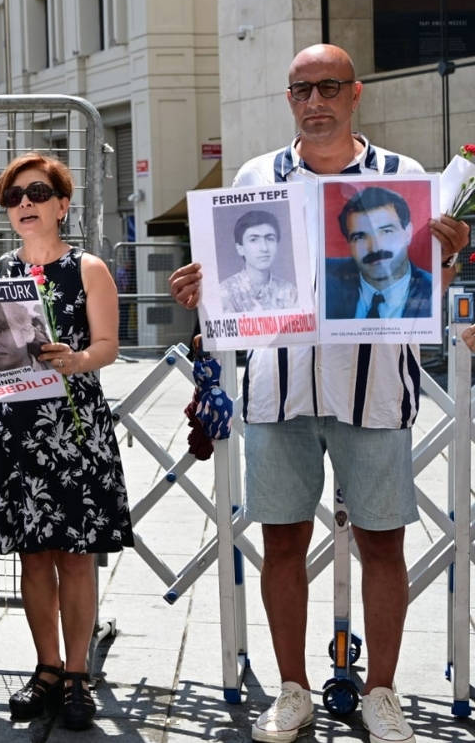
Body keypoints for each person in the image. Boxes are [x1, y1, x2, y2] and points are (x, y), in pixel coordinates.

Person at [167, 44, 470, 743]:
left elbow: (428, 295)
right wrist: (199, 293)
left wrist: (446, 256)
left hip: (376, 393)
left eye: (328, 86)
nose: (315, 101)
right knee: (280, 543)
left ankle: (383, 692)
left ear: (356, 93)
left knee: (385, 543)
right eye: (301, 89)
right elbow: (228, 291)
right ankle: (292, 689)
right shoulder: (254, 176)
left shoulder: (401, 177)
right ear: (289, 98)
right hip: (277, 393)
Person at [0, 152, 133, 731]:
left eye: (38, 192)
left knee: (75, 557)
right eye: (14, 196)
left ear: (62, 205)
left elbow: (107, 347)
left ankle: (77, 674)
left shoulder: (89, 268)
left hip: (75, 427)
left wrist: (75, 360)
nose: (25, 202)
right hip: (17, 428)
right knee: (33, 554)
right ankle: (46, 668)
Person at [324, 186, 431, 319]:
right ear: (349, 244)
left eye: (386, 231)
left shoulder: (433, 290)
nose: (375, 248)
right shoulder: (326, 282)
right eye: (360, 237)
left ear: (408, 233)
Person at [219, 209, 297, 313]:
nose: (264, 248)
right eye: (253, 240)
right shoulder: (225, 292)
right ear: (240, 248)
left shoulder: (290, 291)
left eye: (270, 238)